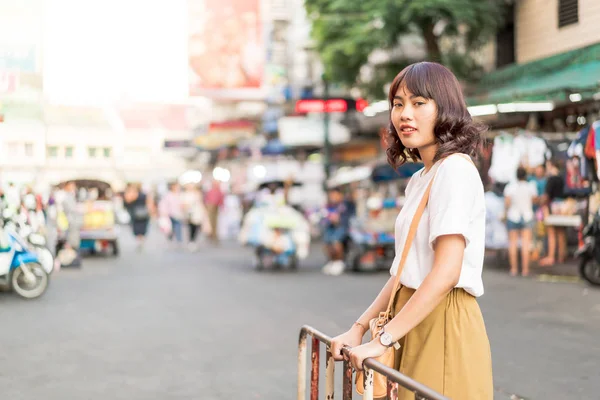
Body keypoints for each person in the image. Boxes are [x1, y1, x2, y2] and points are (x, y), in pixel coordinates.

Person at [329, 62, 493, 399]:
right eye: (398, 103)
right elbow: (403, 272)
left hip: (442, 318)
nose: (405, 114)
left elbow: (446, 272)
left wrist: (383, 339)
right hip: (410, 317)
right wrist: (359, 329)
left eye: (419, 103)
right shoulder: (421, 178)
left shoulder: (455, 171)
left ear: (444, 108)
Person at [504, 167, 539, 276]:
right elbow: (535, 200)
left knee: (513, 244)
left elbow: (507, 203)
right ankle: (525, 270)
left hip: (513, 215)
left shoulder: (510, 187)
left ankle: (513, 269)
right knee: (525, 244)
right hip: (527, 215)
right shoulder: (530, 187)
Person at [539, 159, 568, 266]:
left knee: (551, 232)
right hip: (563, 206)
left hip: (553, 206)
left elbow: (547, 196)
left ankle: (551, 257)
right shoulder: (562, 177)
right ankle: (561, 256)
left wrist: (541, 203)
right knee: (561, 232)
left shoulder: (551, 179)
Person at [321, 187, 354, 276]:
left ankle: (339, 262)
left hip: (343, 227)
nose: (333, 196)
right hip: (331, 227)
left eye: (335, 194)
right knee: (327, 242)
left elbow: (346, 218)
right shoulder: (329, 205)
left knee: (336, 242)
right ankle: (332, 261)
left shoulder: (346, 204)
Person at [124, 183, 152, 252]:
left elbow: (128, 201)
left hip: (137, 214)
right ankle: (141, 240)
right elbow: (149, 203)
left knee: (139, 228)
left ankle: (140, 241)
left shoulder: (136, 194)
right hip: (142, 214)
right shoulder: (144, 195)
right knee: (141, 228)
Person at [182, 184, 209, 251]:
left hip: (197, 213)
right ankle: (191, 241)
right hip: (190, 213)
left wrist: (204, 211)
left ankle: (193, 240)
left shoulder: (197, 194)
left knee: (197, 227)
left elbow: (201, 203)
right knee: (191, 227)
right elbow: (183, 204)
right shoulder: (185, 194)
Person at [204, 180, 225, 244]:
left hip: (216, 207)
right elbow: (206, 199)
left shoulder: (219, 191)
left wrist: (222, 207)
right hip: (210, 206)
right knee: (210, 222)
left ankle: (214, 235)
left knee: (215, 223)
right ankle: (210, 234)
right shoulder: (210, 191)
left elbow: (221, 200)